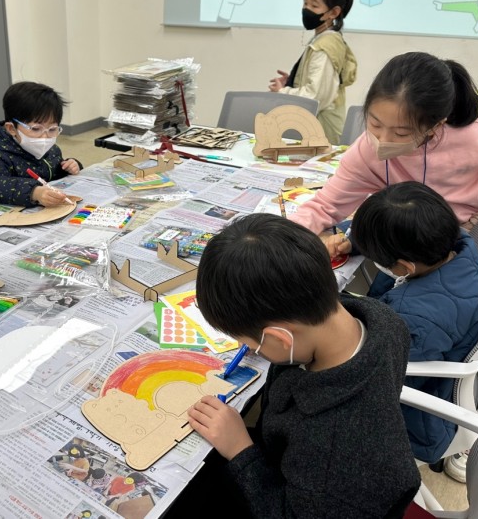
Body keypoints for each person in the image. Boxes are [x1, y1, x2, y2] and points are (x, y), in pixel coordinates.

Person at [173, 214, 420, 518]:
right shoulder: (383, 321)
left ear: (281, 338)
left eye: (250, 344)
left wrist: (240, 449)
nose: (248, 349)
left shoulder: (330, 450)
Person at [292, 51, 478, 242]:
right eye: (375, 123)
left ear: (435, 126)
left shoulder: (473, 135)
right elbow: (326, 205)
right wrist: (283, 235)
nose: (383, 139)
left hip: (473, 232)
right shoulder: (365, 151)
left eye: (401, 132)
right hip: (410, 235)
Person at [350, 182, 478, 473]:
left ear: (404, 267)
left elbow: (379, 378)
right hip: (437, 360)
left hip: (418, 420)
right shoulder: (458, 244)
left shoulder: (416, 319)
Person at [269, 0, 357, 144]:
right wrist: (294, 82)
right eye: (305, 3)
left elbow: (315, 98)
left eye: (314, 5)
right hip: (316, 132)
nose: (306, 9)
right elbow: (320, 84)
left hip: (322, 134)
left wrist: (283, 92)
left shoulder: (325, 46)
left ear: (333, 12)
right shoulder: (324, 39)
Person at [0, 81, 81, 207]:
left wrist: (69, 166)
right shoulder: (0, 154)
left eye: (52, 129)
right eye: (36, 129)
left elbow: (54, 172)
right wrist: (34, 192)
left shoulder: (51, 149)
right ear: (12, 129)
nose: (45, 137)